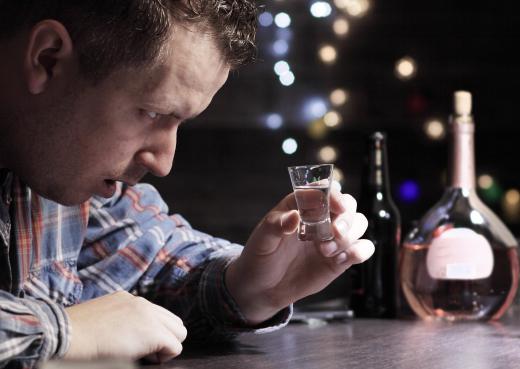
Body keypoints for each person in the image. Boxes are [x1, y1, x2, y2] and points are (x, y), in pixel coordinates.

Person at [0, 1, 375, 367]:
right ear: (48, 59)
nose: (164, 163)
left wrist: (247, 285)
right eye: (153, 113)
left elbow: (148, 254)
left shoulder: (57, 174)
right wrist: (65, 332)